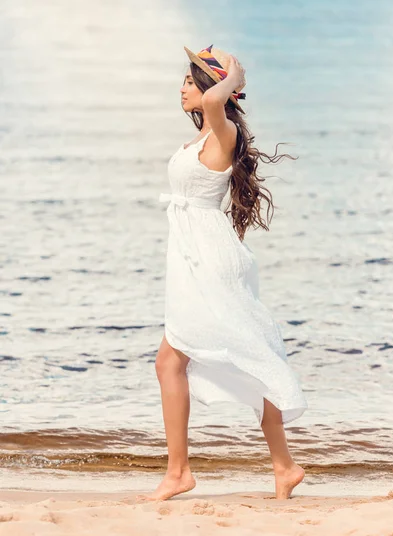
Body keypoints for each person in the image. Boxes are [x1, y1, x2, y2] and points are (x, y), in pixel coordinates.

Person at [136, 45, 308, 503]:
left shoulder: (223, 128)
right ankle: (282, 467)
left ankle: (182, 472)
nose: (182, 88)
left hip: (208, 259)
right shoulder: (204, 139)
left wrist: (236, 76)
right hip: (195, 255)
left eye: (190, 82)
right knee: (188, 360)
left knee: (223, 358)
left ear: (213, 89)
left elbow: (217, 102)